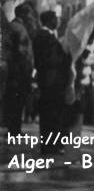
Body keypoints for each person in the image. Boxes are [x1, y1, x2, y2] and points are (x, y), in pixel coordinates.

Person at [32, 11, 71, 155]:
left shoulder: (46, 37)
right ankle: (50, 147)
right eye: (55, 18)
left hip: (50, 81)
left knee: (51, 115)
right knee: (50, 115)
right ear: (49, 21)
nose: (57, 21)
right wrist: (66, 56)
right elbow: (52, 60)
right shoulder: (45, 37)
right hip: (51, 82)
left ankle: (51, 146)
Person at [2, 3, 34, 135]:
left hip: (16, 70)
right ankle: (14, 130)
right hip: (18, 71)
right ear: (22, 14)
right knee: (16, 101)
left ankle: (14, 129)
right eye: (28, 13)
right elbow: (20, 52)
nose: (30, 17)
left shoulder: (15, 27)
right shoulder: (18, 28)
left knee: (16, 100)